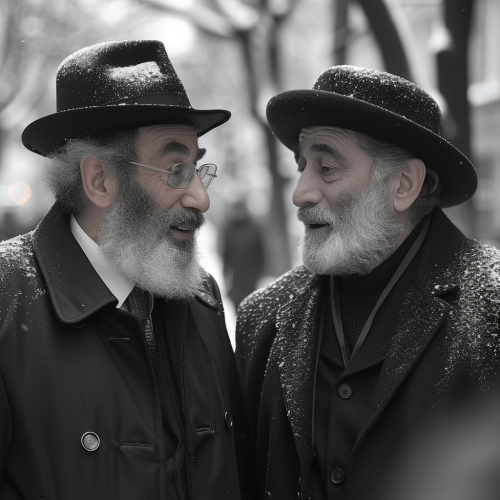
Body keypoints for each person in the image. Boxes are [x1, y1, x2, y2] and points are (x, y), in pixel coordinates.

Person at [0, 40, 255, 500]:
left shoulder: (202, 297)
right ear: (100, 180)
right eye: (175, 168)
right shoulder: (5, 299)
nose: (202, 198)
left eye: (198, 168)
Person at [235, 65, 500, 500]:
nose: (301, 191)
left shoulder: (492, 307)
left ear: (404, 184)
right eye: (302, 166)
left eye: (326, 167)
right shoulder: (261, 317)